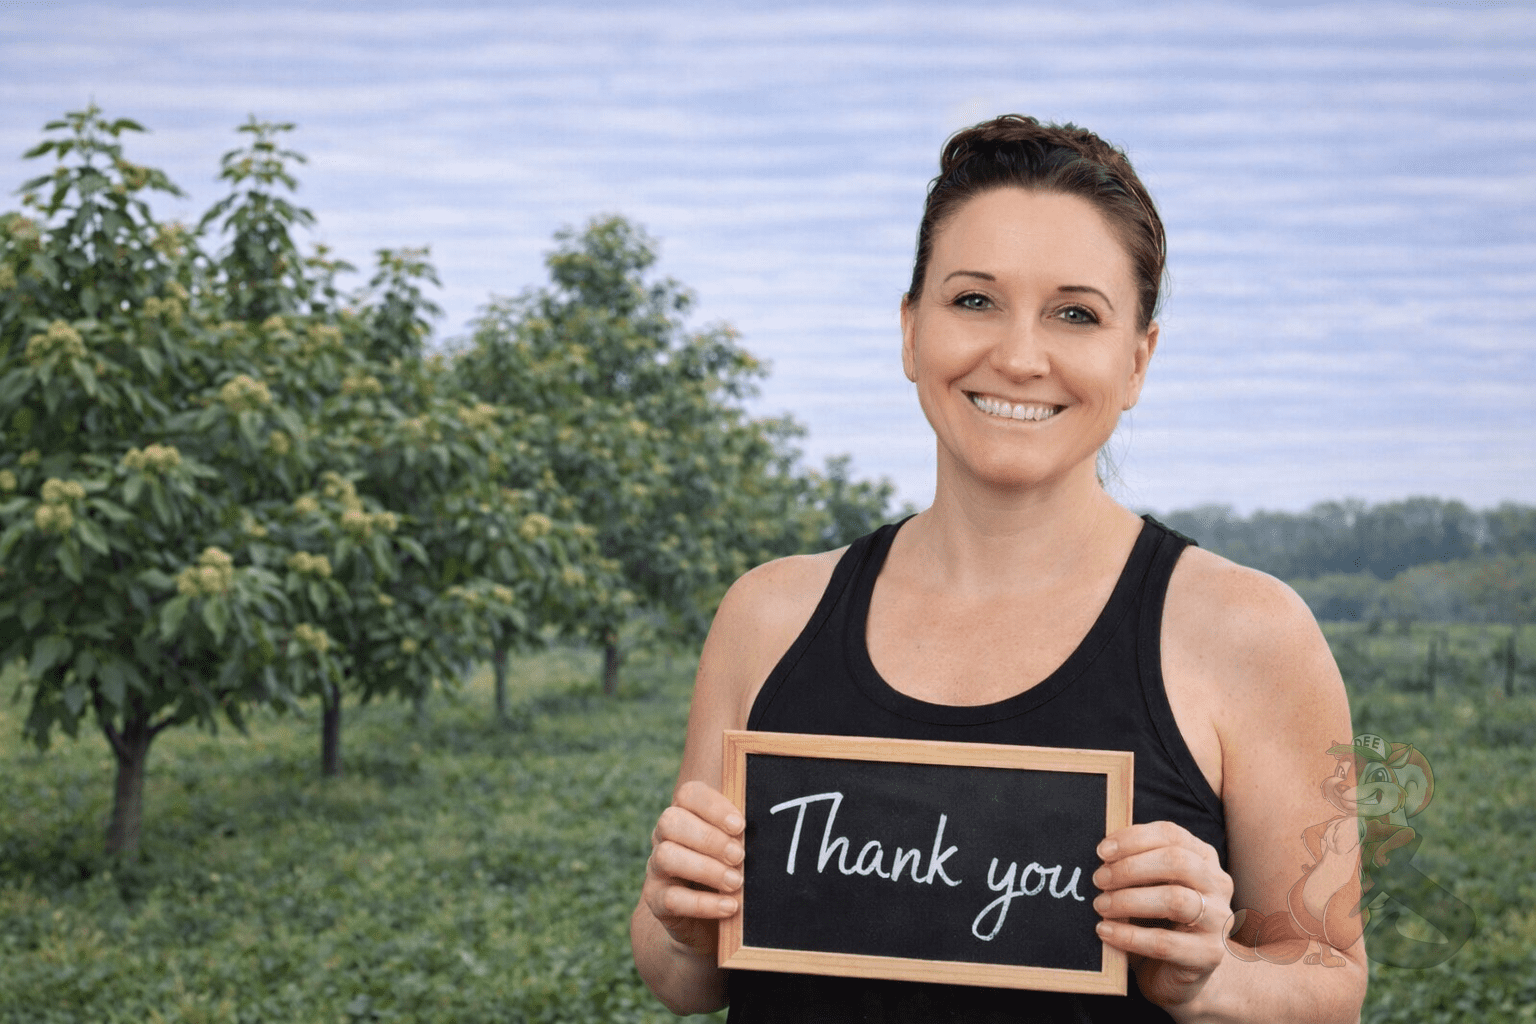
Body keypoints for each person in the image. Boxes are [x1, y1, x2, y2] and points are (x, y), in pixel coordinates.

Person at [631, 115, 1366, 1022]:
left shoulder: (1251, 633)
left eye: (1076, 314)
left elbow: (1331, 978)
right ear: (910, 332)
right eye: (974, 300)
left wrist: (1214, 977)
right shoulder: (768, 616)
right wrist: (679, 924)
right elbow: (682, 977)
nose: (1019, 357)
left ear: (1137, 359)